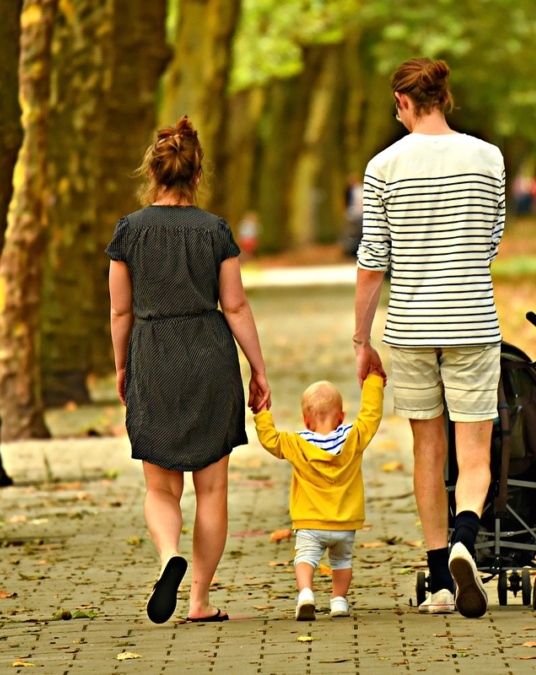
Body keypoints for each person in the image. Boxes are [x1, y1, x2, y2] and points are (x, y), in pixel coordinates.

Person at [353, 57, 505, 619]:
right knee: (474, 450)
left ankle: (440, 579)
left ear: (403, 104)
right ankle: (468, 535)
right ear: (445, 98)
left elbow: (373, 262)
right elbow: (492, 241)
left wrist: (360, 337)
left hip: (411, 329)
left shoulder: (383, 167)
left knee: (427, 448)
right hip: (471, 321)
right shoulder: (488, 158)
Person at [106, 116, 271, 625]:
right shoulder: (215, 230)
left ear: (152, 174)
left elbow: (119, 311)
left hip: (153, 355)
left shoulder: (129, 233)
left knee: (161, 488)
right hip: (209, 354)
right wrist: (258, 370)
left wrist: (121, 366)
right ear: (197, 176)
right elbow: (237, 307)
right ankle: (199, 600)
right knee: (213, 490)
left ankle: (167, 558)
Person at [254, 374, 385, 621]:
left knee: (305, 559)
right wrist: (374, 382)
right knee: (342, 561)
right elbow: (371, 416)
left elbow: (270, 440)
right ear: (341, 417)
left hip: (309, 523)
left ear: (305, 419)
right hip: (345, 523)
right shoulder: (353, 438)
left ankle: (305, 593)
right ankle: (339, 601)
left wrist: (262, 412)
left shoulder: (296, 443)